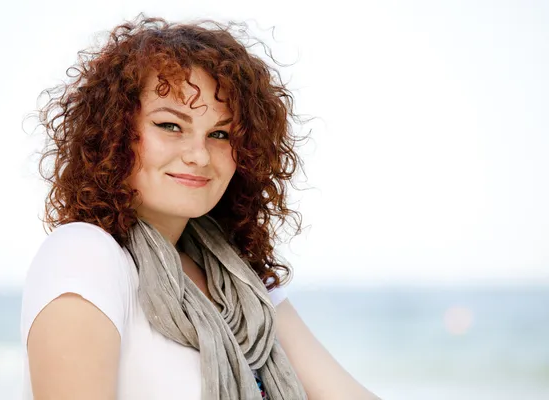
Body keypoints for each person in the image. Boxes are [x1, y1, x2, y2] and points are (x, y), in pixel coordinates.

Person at [20, 14, 380, 400]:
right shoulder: (85, 255)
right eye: (170, 125)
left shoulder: (241, 282)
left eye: (220, 134)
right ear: (114, 132)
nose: (198, 155)